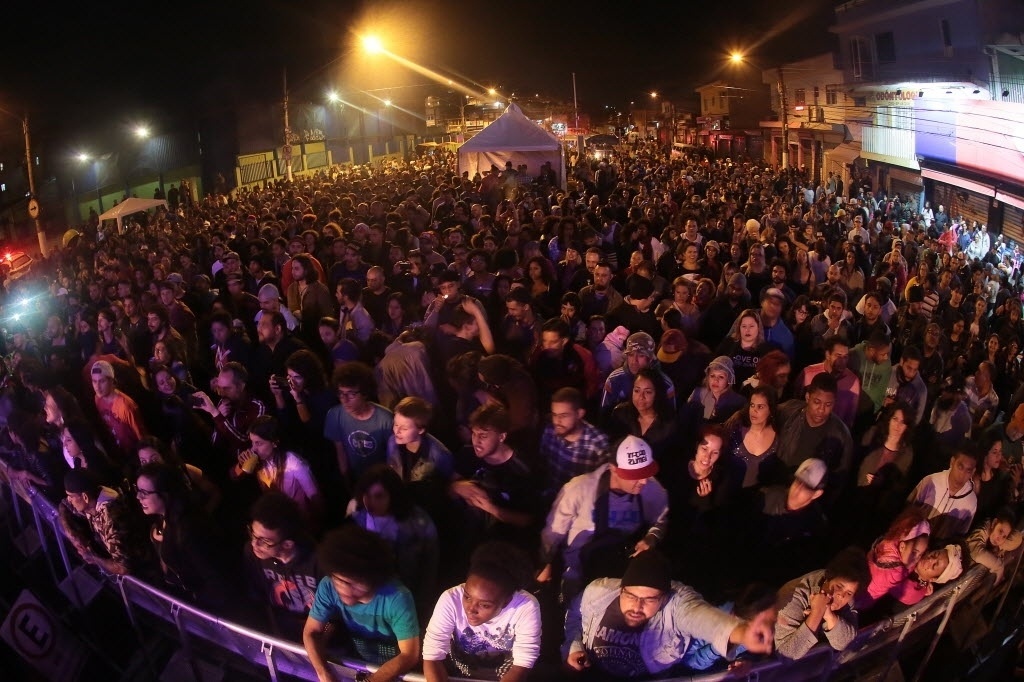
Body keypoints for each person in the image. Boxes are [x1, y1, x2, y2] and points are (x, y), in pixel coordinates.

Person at [563, 550, 774, 679]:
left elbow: (702, 618)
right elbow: (574, 616)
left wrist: (741, 633)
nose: (637, 606)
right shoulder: (598, 592)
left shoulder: (678, 602)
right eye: (630, 595)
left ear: (663, 597)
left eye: (649, 599)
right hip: (595, 674)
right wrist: (573, 648)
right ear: (621, 588)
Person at [537, 434, 668, 601]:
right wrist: (545, 563)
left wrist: (651, 538)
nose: (643, 481)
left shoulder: (651, 489)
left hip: (619, 574)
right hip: (577, 574)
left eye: (646, 473)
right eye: (635, 474)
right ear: (614, 469)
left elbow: (661, 519)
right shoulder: (579, 490)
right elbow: (552, 534)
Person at [303, 525, 421, 681]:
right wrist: (324, 674)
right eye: (339, 580)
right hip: (358, 662)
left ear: (374, 578)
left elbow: (409, 655)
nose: (344, 587)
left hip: (399, 673)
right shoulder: (328, 585)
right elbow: (311, 632)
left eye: (354, 582)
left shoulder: (397, 597)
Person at [423, 542, 542, 682]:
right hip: (457, 674)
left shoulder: (526, 606)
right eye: (467, 597)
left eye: (485, 605)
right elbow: (432, 656)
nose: (470, 609)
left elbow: (523, 663)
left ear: (506, 602)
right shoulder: (450, 598)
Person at [135, 462, 232, 610]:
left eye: (144, 493)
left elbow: (215, 581)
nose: (138, 497)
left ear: (165, 494)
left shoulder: (188, 529)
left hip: (209, 609)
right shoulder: (165, 517)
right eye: (138, 491)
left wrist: (199, 607)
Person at [348, 464, 439, 616]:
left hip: (408, 596)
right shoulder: (358, 517)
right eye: (366, 495)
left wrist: (422, 603)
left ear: (393, 495)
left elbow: (430, 565)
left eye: (378, 496)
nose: (369, 502)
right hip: (372, 599)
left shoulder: (418, 522)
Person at [244, 492, 321, 640]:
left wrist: (312, 639)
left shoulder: (318, 561)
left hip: (318, 637)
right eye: (252, 534)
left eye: (264, 541)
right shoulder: (252, 553)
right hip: (279, 635)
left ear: (287, 544)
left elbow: (333, 617)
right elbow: (257, 598)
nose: (254, 544)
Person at [774, 547, 870, 660]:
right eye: (839, 586)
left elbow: (849, 643)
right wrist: (816, 613)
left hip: (818, 663)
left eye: (849, 593)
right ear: (828, 578)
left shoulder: (847, 595)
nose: (841, 595)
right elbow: (786, 656)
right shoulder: (793, 596)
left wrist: (828, 615)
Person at [58, 467, 155, 577]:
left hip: (146, 574)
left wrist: (93, 558)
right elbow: (63, 505)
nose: (69, 499)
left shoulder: (112, 519)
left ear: (85, 497)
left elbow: (124, 568)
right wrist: (72, 534)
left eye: (71, 496)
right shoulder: (93, 499)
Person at [233, 416, 323, 526]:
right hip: (280, 521)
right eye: (252, 443)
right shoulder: (258, 461)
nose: (254, 449)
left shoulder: (293, 463)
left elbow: (316, 498)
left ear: (274, 443)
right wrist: (240, 464)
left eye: (259, 443)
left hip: (300, 522)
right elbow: (233, 477)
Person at [324, 362, 394, 488]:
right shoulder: (334, 415)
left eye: (351, 394)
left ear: (365, 393)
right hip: (356, 480)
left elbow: (393, 457)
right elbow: (340, 452)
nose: (344, 399)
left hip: (382, 481)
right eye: (341, 393)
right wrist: (347, 482)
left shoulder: (386, 419)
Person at [539, 387, 612, 493]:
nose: (557, 421)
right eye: (554, 415)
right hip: (549, 496)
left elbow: (603, 486)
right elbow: (542, 468)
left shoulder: (598, 444)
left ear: (580, 414)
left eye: (564, 415)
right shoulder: (549, 431)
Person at [858, 510, 931, 611]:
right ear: (902, 546)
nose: (917, 559)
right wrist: (924, 586)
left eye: (921, 554)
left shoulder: (890, 541)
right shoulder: (895, 572)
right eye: (914, 552)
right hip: (862, 599)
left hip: (858, 582)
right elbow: (905, 594)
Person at [906, 445, 979, 542]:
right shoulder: (930, 482)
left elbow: (959, 537)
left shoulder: (971, 502)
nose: (962, 475)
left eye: (968, 471)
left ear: (973, 472)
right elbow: (907, 512)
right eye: (960, 467)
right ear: (952, 462)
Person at [966, 511, 1024, 585]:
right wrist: (999, 566)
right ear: (994, 523)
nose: (1000, 538)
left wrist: (998, 549)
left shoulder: (994, 540)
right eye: (1000, 531)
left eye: (1004, 537)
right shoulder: (983, 528)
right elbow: (976, 552)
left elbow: (1016, 539)